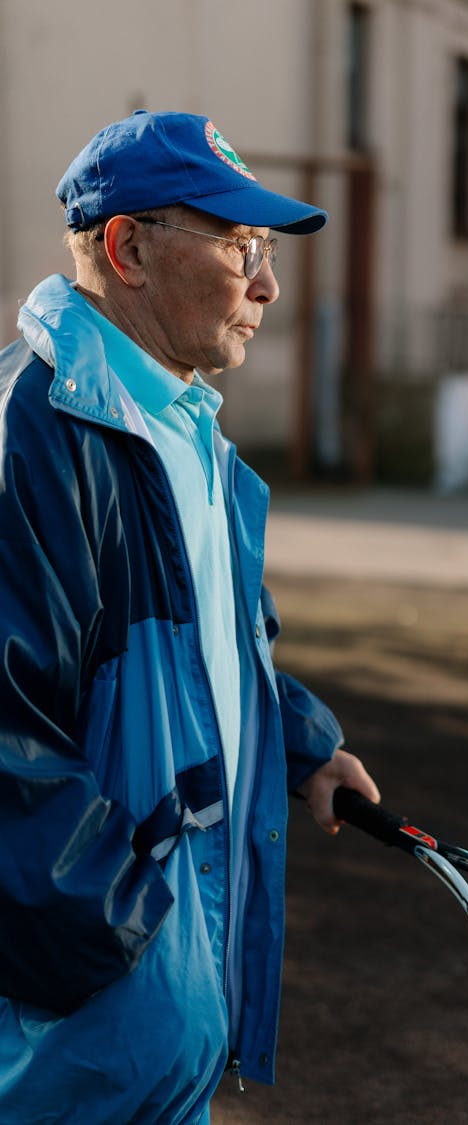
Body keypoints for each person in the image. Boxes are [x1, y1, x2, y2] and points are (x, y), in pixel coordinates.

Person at [0, 110, 380, 1125]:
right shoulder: (33, 437)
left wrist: (302, 745)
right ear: (127, 249)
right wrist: (132, 954)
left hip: (164, 1004)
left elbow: (214, 640)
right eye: (239, 247)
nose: (268, 285)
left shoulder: (191, 434)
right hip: (83, 1031)